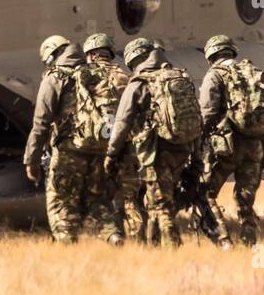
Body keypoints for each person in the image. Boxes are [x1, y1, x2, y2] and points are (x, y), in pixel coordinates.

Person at [105, 38, 203, 247]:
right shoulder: (179, 76)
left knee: (160, 205)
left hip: (155, 152)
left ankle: (172, 249)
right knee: (157, 200)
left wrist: (112, 154)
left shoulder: (140, 83)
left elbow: (122, 122)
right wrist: (196, 155)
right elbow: (195, 118)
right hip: (182, 148)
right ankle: (152, 246)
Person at [24, 35, 121, 245]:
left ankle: (67, 248)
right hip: (100, 148)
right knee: (97, 199)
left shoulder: (55, 77)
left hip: (69, 150)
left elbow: (41, 123)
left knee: (61, 202)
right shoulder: (95, 72)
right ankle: (113, 235)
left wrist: (31, 160)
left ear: (52, 55)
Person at [199, 34, 264, 247]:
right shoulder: (257, 75)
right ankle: (250, 240)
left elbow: (208, 113)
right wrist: (263, 151)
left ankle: (223, 239)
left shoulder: (215, 76)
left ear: (211, 55)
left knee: (205, 193)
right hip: (255, 145)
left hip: (225, 147)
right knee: (245, 198)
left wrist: (198, 144)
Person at [83, 32, 145, 242]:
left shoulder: (84, 75)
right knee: (129, 196)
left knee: (98, 194)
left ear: (91, 54)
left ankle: (113, 234)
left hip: (96, 146)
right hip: (125, 144)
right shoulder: (125, 75)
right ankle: (139, 240)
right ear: (109, 53)